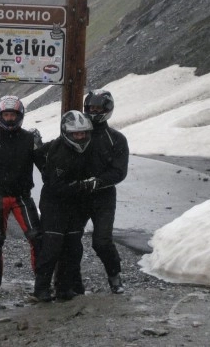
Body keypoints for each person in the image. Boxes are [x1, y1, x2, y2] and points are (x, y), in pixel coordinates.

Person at [0, 95, 45, 297]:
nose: (9, 119)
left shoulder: (30, 138)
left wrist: (44, 151)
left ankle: (41, 281)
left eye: (13, 114)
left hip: (22, 196)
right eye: (5, 114)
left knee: (36, 238)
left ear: (19, 115)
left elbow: (45, 167)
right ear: (0, 116)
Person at [32, 110, 94, 302]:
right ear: (67, 133)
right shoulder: (56, 149)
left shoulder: (89, 149)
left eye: (83, 133)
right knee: (51, 248)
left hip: (76, 206)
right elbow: (54, 184)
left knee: (73, 248)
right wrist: (79, 185)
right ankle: (41, 289)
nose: (80, 137)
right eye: (76, 134)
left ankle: (65, 288)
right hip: (54, 205)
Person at [76, 89, 129, 294]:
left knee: (101, 241)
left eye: (98, 108)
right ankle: (72, 280)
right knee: (71, 239)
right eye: (90, 108)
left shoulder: (116, 138)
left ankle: (115, 276)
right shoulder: (77, 133)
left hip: (104, 197)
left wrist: (97, 182)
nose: (93, 111)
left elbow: (119, 172)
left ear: (107, 109)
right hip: (78, 195)